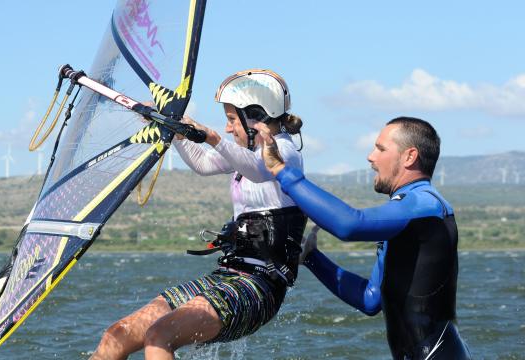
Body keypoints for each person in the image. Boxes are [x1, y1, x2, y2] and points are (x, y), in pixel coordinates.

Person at [91, 69, 307, 359]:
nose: (229, 128)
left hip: (259, 287)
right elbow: (203, 164)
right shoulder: (246, 154)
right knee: (116, 335)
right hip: (227, 276)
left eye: (232, 119)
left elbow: (258, 170)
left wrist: (213, 137)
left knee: (159, 336)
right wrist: (178, 131)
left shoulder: (285, 153)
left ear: (256, 117)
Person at [256, 117, 472, 359]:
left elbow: (350, 225)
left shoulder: (425, 203)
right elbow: (371, 300)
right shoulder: (407, 215)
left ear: (409, 157)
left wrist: (280, 170)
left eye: (380, 149)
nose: (371, 157)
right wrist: (312, 257)